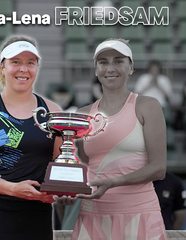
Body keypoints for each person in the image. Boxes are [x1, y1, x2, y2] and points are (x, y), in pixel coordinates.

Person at [56, 38, 167, 239]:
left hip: (139, 214)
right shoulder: (83, 114)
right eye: (103, 62)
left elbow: (158, 168)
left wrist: (113, 182)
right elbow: (87, 166)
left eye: (118, 61)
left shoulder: (148, 106)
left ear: (130, 67)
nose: (110, 68)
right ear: (96, 69)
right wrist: (69, 192)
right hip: (92, 214)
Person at [0, 35, 62, 240]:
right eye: (16, 62)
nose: (23, 69)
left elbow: (60, 165)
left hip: (37, 218)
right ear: (3, 67)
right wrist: (13, 189)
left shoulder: (53, 112)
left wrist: (64, 189)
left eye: (30, 63)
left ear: (36, 68)